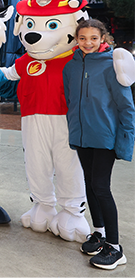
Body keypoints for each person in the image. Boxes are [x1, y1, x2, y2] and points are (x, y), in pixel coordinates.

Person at [63, 19, 135, 270]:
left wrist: (125, 141)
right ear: (76, 39)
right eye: (82, 38)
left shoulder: (112, 65)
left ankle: (115, 248)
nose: (88, 43)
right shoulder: (70, 67)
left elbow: (126, 107)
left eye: (93, 38)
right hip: (82, 137)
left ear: (103, 38)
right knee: (90, 185)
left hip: (105, 137)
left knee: (101, 187)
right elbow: (69, 99)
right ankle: (99, 233)